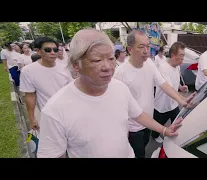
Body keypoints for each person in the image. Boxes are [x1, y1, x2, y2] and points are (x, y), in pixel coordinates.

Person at [36, 28, 183, 158]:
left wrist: (164, 130)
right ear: (76, 65)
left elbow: (138, 114)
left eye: (111, 58)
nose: (107, 67)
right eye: (97, 60)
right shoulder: (55, 110)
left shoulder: (119, 88)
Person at [114, 30, 195, 158]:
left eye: (148, 46)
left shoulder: (149, 63)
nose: (146, 50)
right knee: (138, 154)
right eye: (141, 47)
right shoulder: (120, 73)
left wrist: (182, 101)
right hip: (133, 127)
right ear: (130, 49)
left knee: (145, 147)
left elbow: (163, 84)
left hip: (149, 121)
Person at [19, 37, 73, 130]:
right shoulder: (28, 71)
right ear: (39, 51)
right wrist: (32, 119)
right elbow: (30, 96)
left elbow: (72, 89)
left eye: (55, 50)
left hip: (69, 112)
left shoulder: (64, 68)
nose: (53, 53)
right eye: (48, 50)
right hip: (49, 116)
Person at [152, 42, 189, 143]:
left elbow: (175, 83)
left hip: (173, 104)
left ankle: (175, 141)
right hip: (161, 106)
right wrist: (183, 99)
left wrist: (181, 87)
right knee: (158, 126)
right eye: (180, 57)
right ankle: (154, 136)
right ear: (172, 55)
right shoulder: (163, 68)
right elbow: (168, 88)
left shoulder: (177, 67)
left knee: (178, 124)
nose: (182, 60)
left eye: (183, 57)